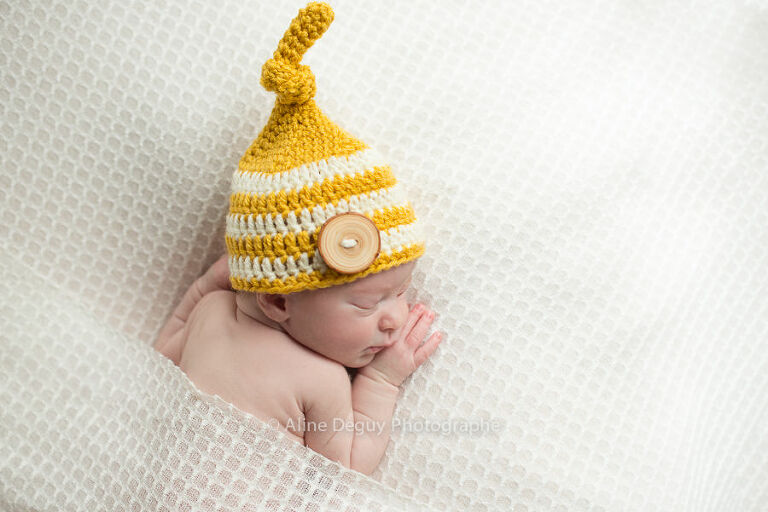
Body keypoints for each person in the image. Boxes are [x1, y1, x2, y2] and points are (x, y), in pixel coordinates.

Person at [153, 2, 442, 476]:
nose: (396, 318)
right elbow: (346, 471)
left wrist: (207, 285)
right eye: (369, 304)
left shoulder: (208, 315)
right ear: (278, 301)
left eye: (401, 293)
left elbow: (158, 366)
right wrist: (383, 380)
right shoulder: (321, 378)